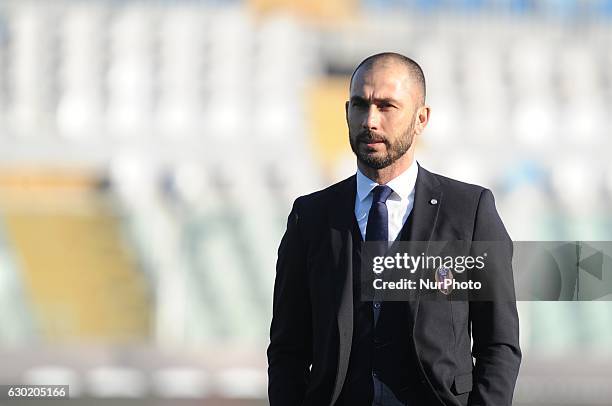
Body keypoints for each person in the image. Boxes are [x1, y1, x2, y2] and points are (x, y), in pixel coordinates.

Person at [267, 52, 521, 406]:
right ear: (346, 112)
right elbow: (287, 349)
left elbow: (499, 344)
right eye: (360, 105)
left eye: (387, 106)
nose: (370, 120)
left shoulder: (470, 211)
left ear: (421, 119)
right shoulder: (310, 217)